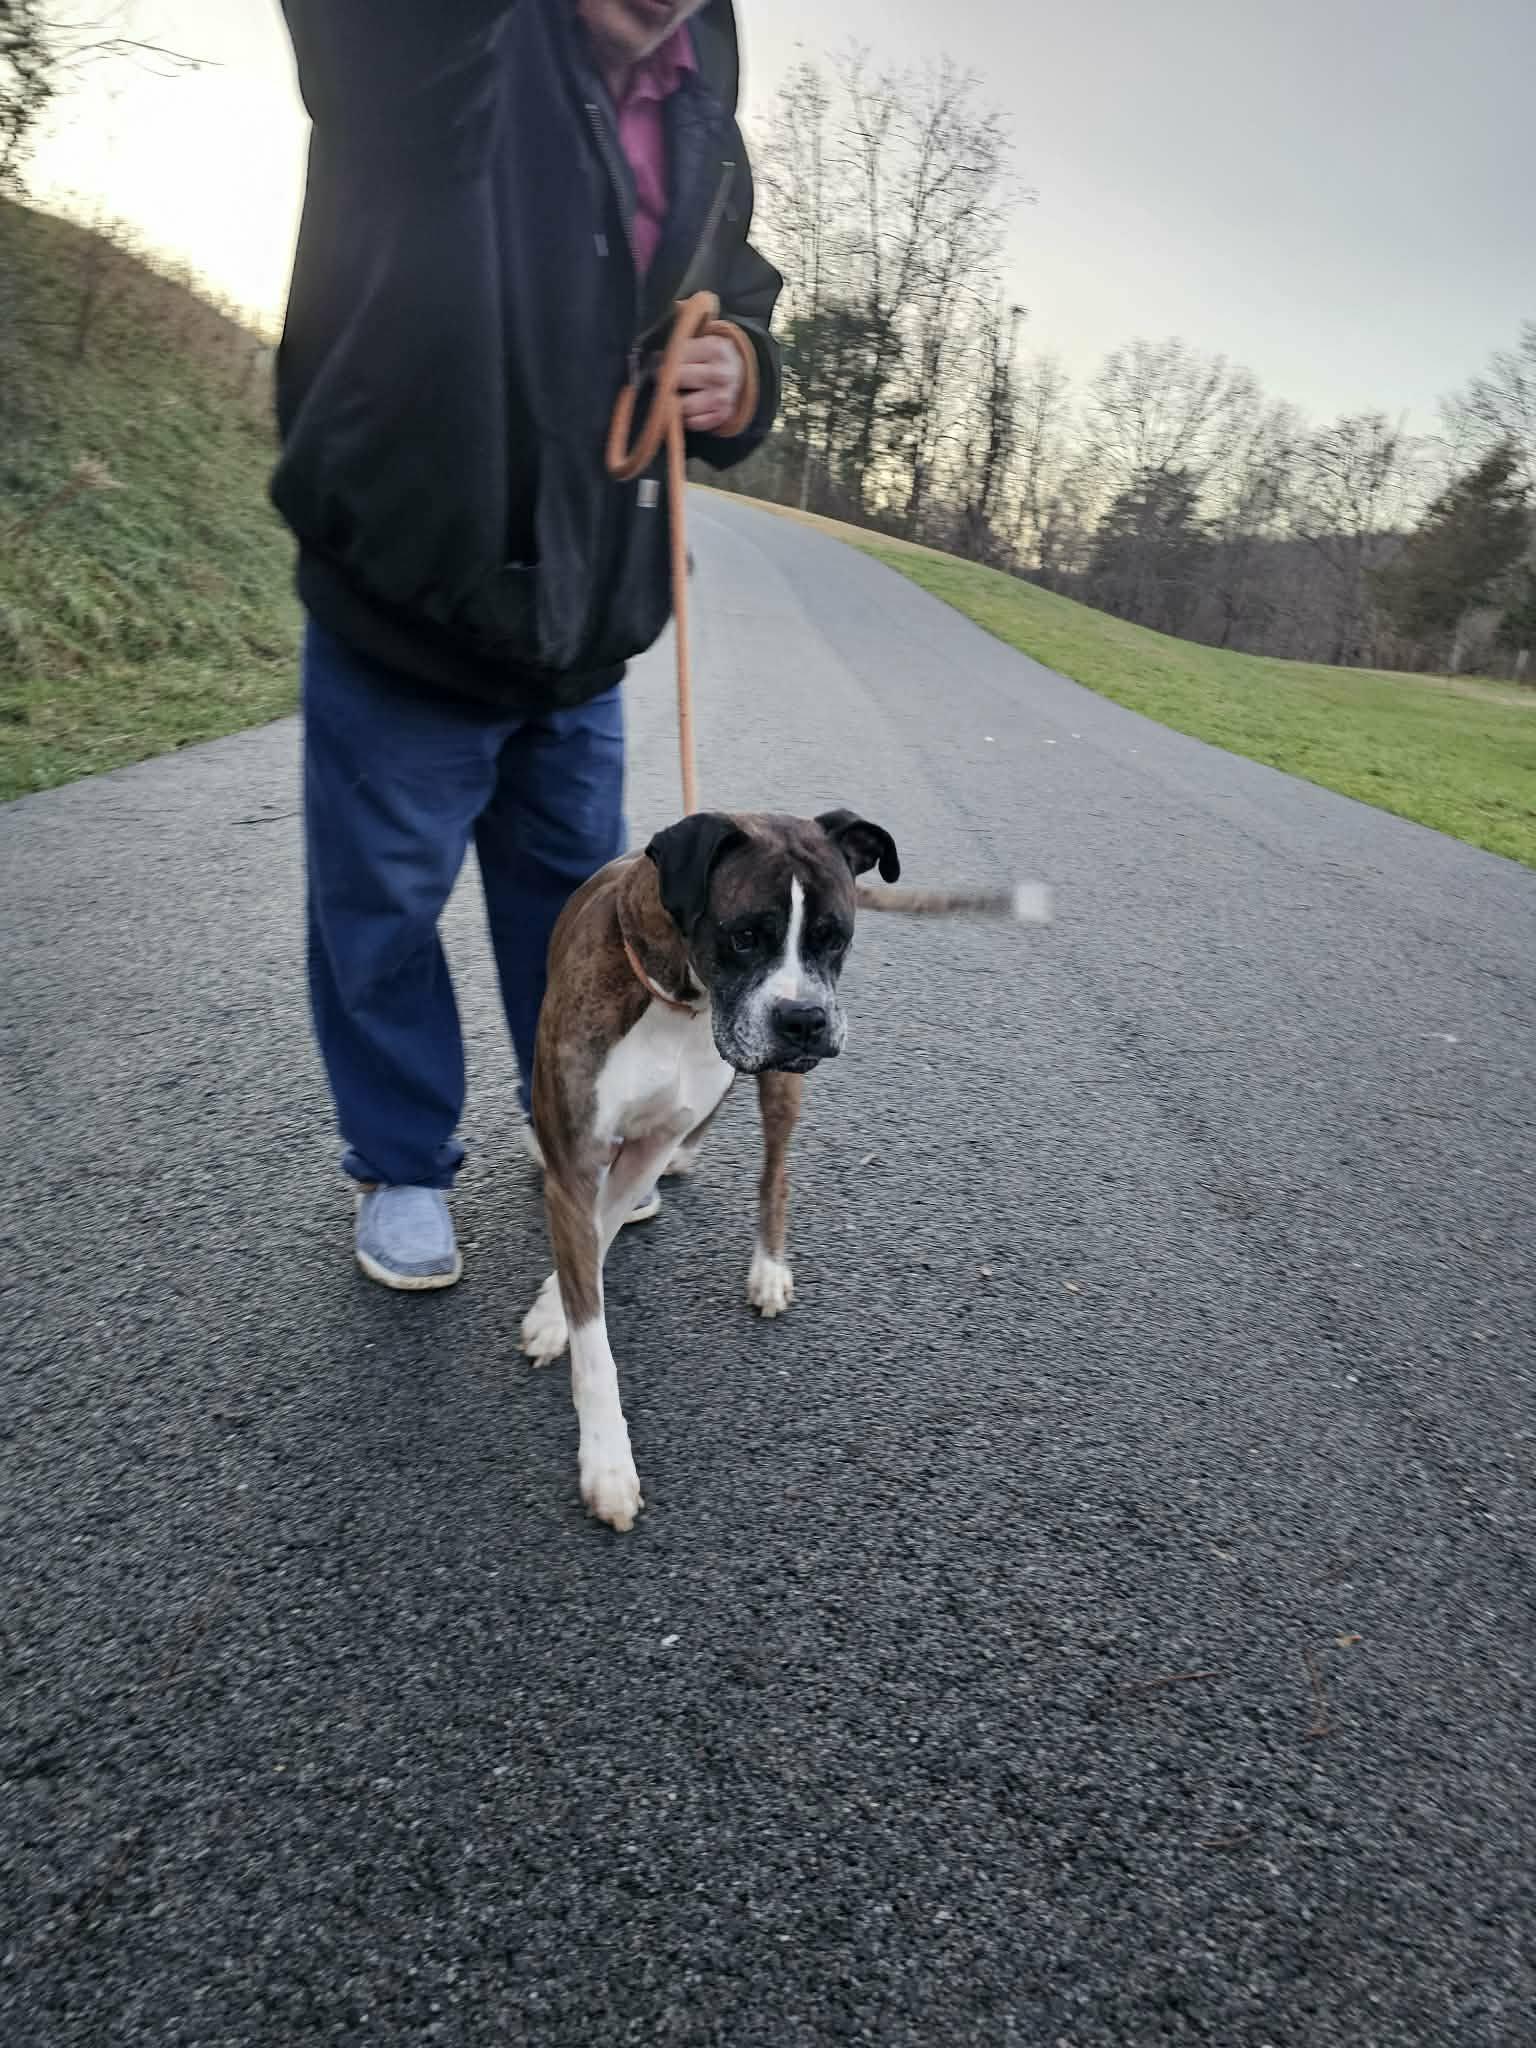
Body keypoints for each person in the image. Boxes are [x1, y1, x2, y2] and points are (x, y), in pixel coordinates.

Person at [272, 0, 782, 1289]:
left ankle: (572, 1130)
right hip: (405, 601)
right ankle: (402, 1162)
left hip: (579, 626)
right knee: (380, 917)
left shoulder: (700, 106)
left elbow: (735, 286)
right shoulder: (441, 42)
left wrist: (740, 367)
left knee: (581, 926)